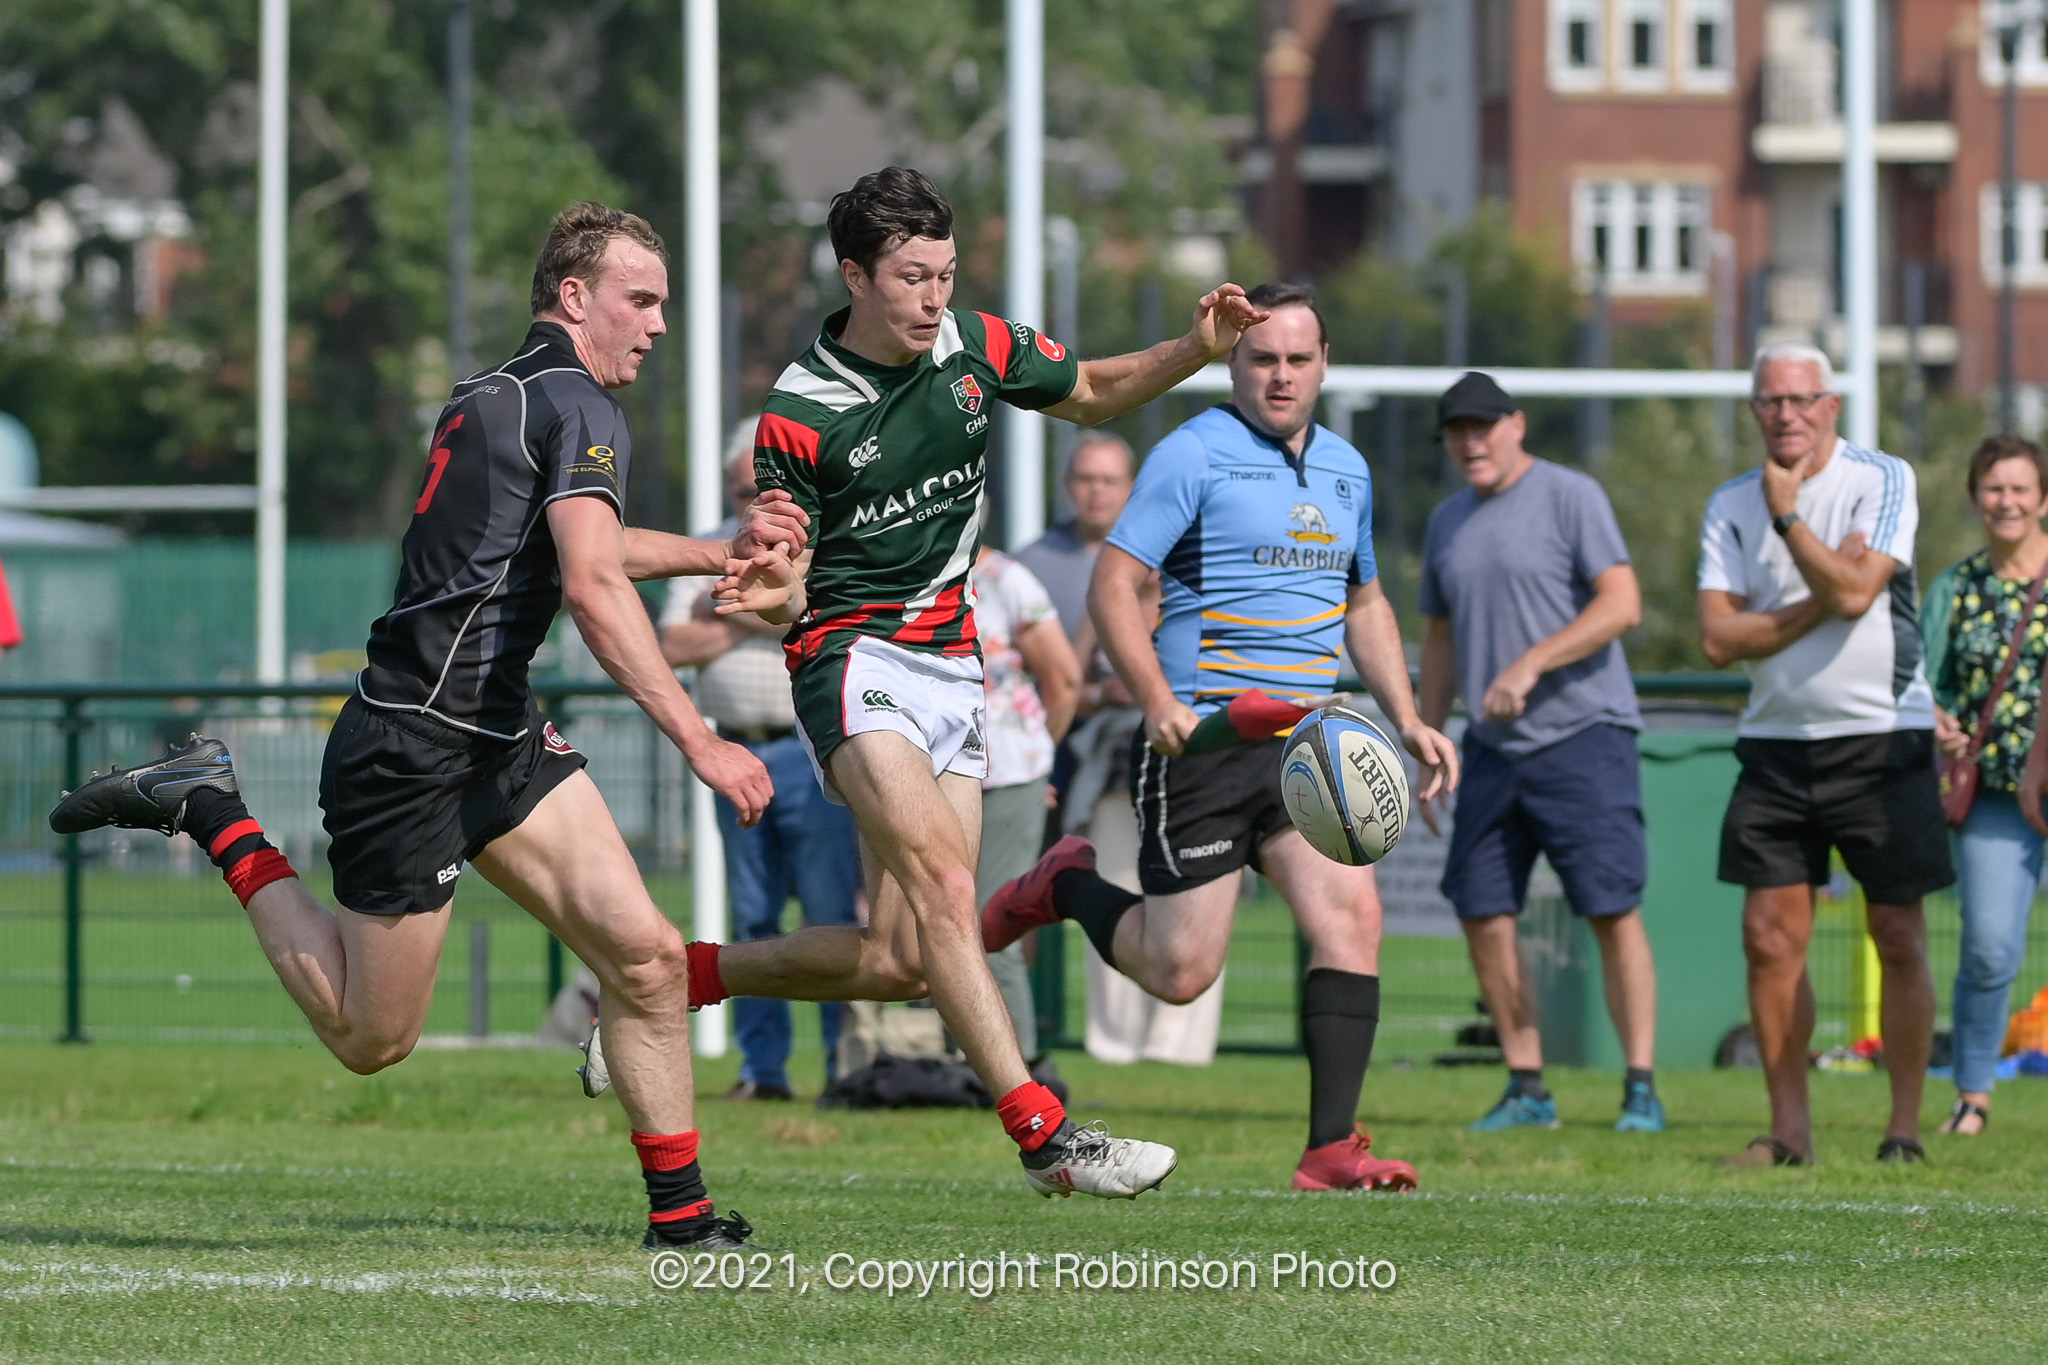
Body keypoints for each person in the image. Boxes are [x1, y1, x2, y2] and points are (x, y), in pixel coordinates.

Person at [49, 202, 808, 1251]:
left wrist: (717, 553)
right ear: (575, 296)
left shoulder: (504, 392)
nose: (660, 324)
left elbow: (580, 544)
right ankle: (214, 809)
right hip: (410, 744)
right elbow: (588, 584)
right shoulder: (580, 403)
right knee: (372, 1039)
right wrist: (699, 740)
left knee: (645, 959)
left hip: (492, 732)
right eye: (643, 299)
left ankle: (679, 1218)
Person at [697, 165, 1266, 1199]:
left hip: (953, 667)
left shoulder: (972, 345)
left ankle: (673, 977)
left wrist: (1195, 350)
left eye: (944, 275)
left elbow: (1090, 394)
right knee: (949, 890)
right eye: (911, 278)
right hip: (850, 660)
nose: (932, 298)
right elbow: (782, 592)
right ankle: (1047, 1138)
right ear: (855, 275)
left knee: (900, 957)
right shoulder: (799, 409)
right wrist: (774, 587)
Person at [983, 282, 1459, 1192]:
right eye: (1262, 358)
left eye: (1298, 359)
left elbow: (1367, 602)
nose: (1281, 376)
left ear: (1325, 364)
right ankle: (1067, 881)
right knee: (1181, 972)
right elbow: (1114, 584)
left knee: (1352, 916)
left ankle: (1331, 1149)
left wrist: (1406, 718)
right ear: (1234, 362)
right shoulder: (1192, 453)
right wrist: (1157, 698)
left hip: (1304, 746)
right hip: (1199, 741)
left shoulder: (1349, 470)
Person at [1698, 339, 1951, 1167]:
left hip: (1883, 738)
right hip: (1775, 748)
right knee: (1769, 937)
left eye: (1803, 399)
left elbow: (1858, 592)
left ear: (1831, 406)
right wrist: (1822, 586)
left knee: (1898, 932)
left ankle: (1904, 1127)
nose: (1788, 414)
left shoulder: (1883, 478)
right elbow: (1716, 638)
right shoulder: (1728, 503)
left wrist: (1789, 522)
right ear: (1754, 410)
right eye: (1772, 401)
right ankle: (1789, 1130)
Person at [1415, 371, 1663, 1134]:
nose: (1471, 440)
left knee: (1610, 909)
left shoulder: (1570, 495)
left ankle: (1640, 1086)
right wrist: (1426, 738)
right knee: (1481, 907)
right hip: (1491, 748)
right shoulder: (1447, 522)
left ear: (1517, 425)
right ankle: (1528, 1084)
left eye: (1483, 425)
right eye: (1457, 429)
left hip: (1584, 734)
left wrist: (1532, 661)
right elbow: (1442, 637)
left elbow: (1622, 603)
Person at [660, 433, 861, 1101]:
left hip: (811, 751)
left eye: (762, 486)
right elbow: (673, 643)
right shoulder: (708, 544)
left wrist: (739, 604)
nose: (754, 500)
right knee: (752, 916)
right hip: (735, 752)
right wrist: (766, 608)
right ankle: (763, 1071)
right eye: (743, 490)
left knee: (831, 911)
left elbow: (828, 620)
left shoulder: (820, 542)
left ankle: (844, 1065)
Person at [1020, 435, 1228, 1065]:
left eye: (1112, 482)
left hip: (1195, 759)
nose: (1097, 493)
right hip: (1111, 766)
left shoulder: (1195, 575)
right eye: (1085, 479)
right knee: (1114, 884)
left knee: (1194, 893)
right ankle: (1114, 1040)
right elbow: (1065, 683)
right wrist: (1108, 694)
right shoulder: (1078, 583)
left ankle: (1180, 1042)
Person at [1922, 435, 2048, 1137]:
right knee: (1991, 947)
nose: (2007, 501)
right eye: (1994, 489)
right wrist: (1937, 723)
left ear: (2043, 499)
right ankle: (1972, 1093)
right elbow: (1923, 684)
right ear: (1976, 499)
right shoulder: (1957, 587)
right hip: (1995, 794)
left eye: (2020, 488)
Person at [969, 537, 1080, 1065]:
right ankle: (969, 1059)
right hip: (934, 772)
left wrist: (1042, 759)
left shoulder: (1006, 579)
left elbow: (1063, 678)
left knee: (991, 923)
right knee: (941, 923)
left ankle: (1021, 1066)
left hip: (1009, 769)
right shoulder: (907, 565)